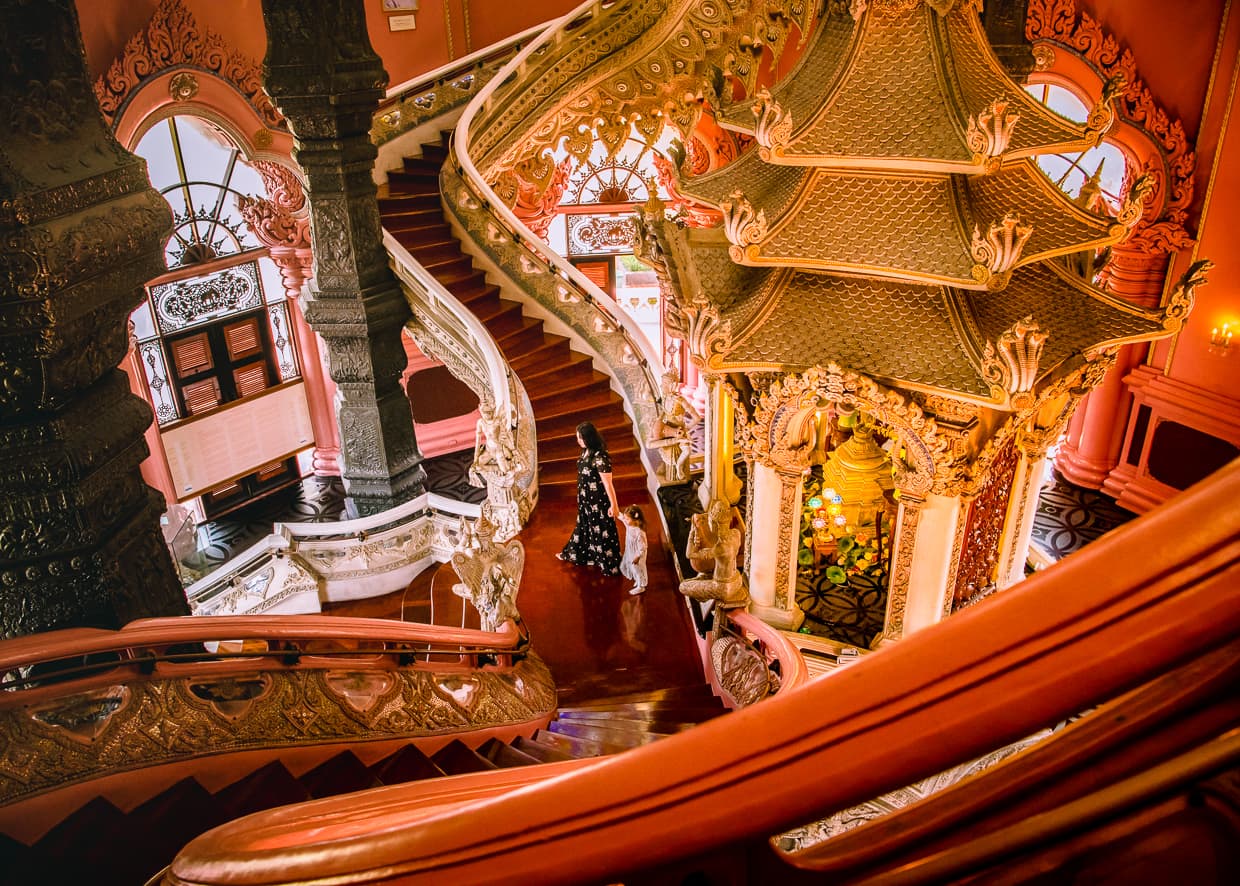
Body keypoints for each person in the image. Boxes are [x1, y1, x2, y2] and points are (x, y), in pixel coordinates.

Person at [557, 421, 622, 574]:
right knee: (585, 527)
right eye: (577, 437)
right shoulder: (586, 451)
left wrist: (614, 505)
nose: (578, 441)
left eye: (580, 438)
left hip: (597, 502)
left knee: (601, 530)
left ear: (589, 438)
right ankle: (583, 554)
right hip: (585, 500)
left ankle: (607, 561)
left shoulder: (600, 457)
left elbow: (608, 484)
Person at [618, 505, 648, 595]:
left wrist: (638, 557)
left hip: (638, 554)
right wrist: (614, 511)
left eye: (628, 519)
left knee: (638, 569)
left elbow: (643, 546)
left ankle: (641, 586)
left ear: (635, 519)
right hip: (631, 552)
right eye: (626, 519)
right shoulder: (629, 525)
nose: (626, 521)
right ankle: (638, 581)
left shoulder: (639, 532)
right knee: (632, 568)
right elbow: (622, 517)